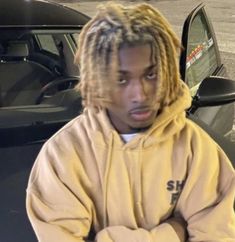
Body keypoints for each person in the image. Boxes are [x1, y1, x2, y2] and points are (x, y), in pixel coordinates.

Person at [26, 2, 235, 242]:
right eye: (121, 79)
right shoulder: (63, 156)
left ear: (167, 72)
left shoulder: (195, 149)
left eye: (151, 74)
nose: (140, 94)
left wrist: (105, 236)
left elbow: (217, 235)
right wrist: (173, 232)